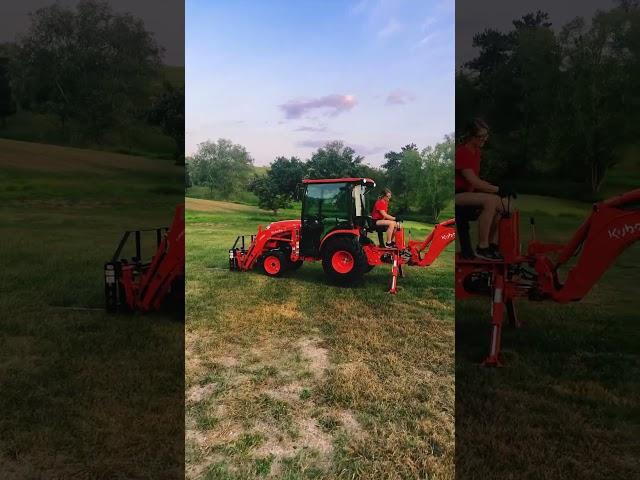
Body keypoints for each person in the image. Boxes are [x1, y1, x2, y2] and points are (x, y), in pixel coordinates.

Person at [455, 118, 509, 261]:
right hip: (457, 195)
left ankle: (492, 245)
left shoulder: (476, 151)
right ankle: (482, 247)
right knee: (491, 201)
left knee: (503, 204)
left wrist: (499, 189)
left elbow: (477, 183)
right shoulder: (462, 152)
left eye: (486, 135)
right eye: (481, 136)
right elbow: (473, 181)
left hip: (468, 194)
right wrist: (497, 189)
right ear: (471, 136)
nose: (485, 139)